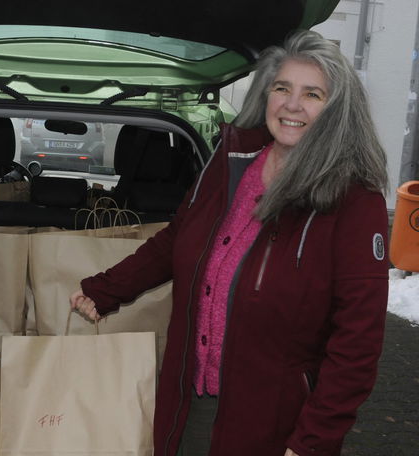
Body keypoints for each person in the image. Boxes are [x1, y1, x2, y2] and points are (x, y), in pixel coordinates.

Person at [71, 30, 388, 456]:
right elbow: (177, 239)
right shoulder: (231, 163)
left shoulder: (355, 200)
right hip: (187, 404)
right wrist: (107, 288)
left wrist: (313, 441)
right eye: (282, 88)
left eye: (312, 94)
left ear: (336, 109)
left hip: (274, 423)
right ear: (267, 95)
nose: (292, 105)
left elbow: (358, 342)